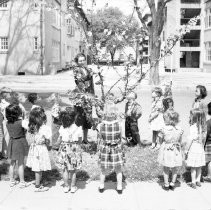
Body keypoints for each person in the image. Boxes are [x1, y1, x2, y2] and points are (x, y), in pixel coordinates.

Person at [97, 102, 125, 194]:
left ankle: (101, 186)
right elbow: (121, 137)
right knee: (118, 169)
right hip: (116, 148)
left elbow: (100, 138)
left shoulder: (100, 125)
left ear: (105, 113)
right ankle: (119, 187)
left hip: (105, 149)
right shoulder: (119, 124)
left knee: (103, 169)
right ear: (115, 113)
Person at [53, 110, 82, 193]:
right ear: (74, 119)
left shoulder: (62, 128)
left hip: (64, 148)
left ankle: (66, 186)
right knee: (73, 170)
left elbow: (60, 139)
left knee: (65, 169)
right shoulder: (78, 128)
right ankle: (73, 187)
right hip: (74, 149)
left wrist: (56, 145)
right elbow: (80, 140)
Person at [25, 107, 51, 192]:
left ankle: (39, 180)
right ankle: (37, 185)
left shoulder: (31, 127)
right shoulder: (45, 128)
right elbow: (48, 140)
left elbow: (29, 139)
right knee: (39, 167)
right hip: (41, 148)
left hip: (33, 148)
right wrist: (47, 144)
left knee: (37, 166)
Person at [158, 111, 183, 191]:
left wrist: (163, 144)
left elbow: (160, 140)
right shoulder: (179, 129)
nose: (163, 120)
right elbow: (180, 140)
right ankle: (172, 183)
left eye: (164, 119)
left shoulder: (163, 129)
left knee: (166, 167)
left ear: (169, 120)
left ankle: (166, 184)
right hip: (176, 149)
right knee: (175, 167)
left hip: (167, 149)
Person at [73, 53, 95, 144]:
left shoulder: (87, 68)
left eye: (83, 60)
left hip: (89, 95)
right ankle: (77, 139)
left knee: (87, 118)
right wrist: (90, 74)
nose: (82, 62)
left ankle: (85, 139)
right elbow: (80, 81)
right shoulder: (76, 70)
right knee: (79, 117)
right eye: (80, 60)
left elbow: (91, 82)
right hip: (81, 96)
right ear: (77, 62)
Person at [5, 104, 29, 188]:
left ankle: (11, 180)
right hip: (20, 142)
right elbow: (29, 128)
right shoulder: (21, 122)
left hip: (11, 142)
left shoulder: (7, 123)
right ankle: (22, 181)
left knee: (12, 163)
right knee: (21, 163)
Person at [185, 110, 206, 189]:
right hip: (200, 148)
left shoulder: (193, 127)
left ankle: (193, 182)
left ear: (194, 117)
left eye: (190, 115)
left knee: (193, 167)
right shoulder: (203, 127)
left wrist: (186, 150)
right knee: (199, 166)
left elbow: (190, 140)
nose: (189, 117)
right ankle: (198, 181)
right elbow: (203, 140)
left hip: (193, 147)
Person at [0, 87, 12, 157]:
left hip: (4, 121)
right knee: (6, 136)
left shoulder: (4, 103)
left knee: (5, 136)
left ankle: (5, 152)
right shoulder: (6, 104)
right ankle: (5, 153)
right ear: (5, 94)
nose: (10, 95)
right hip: (6, 121)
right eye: (9, 94)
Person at [203, 102, 211, 182]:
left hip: (209, 143)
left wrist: (203, 144)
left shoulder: (209, 122)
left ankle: (209, 176)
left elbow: (206, 134)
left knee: (209, 161)